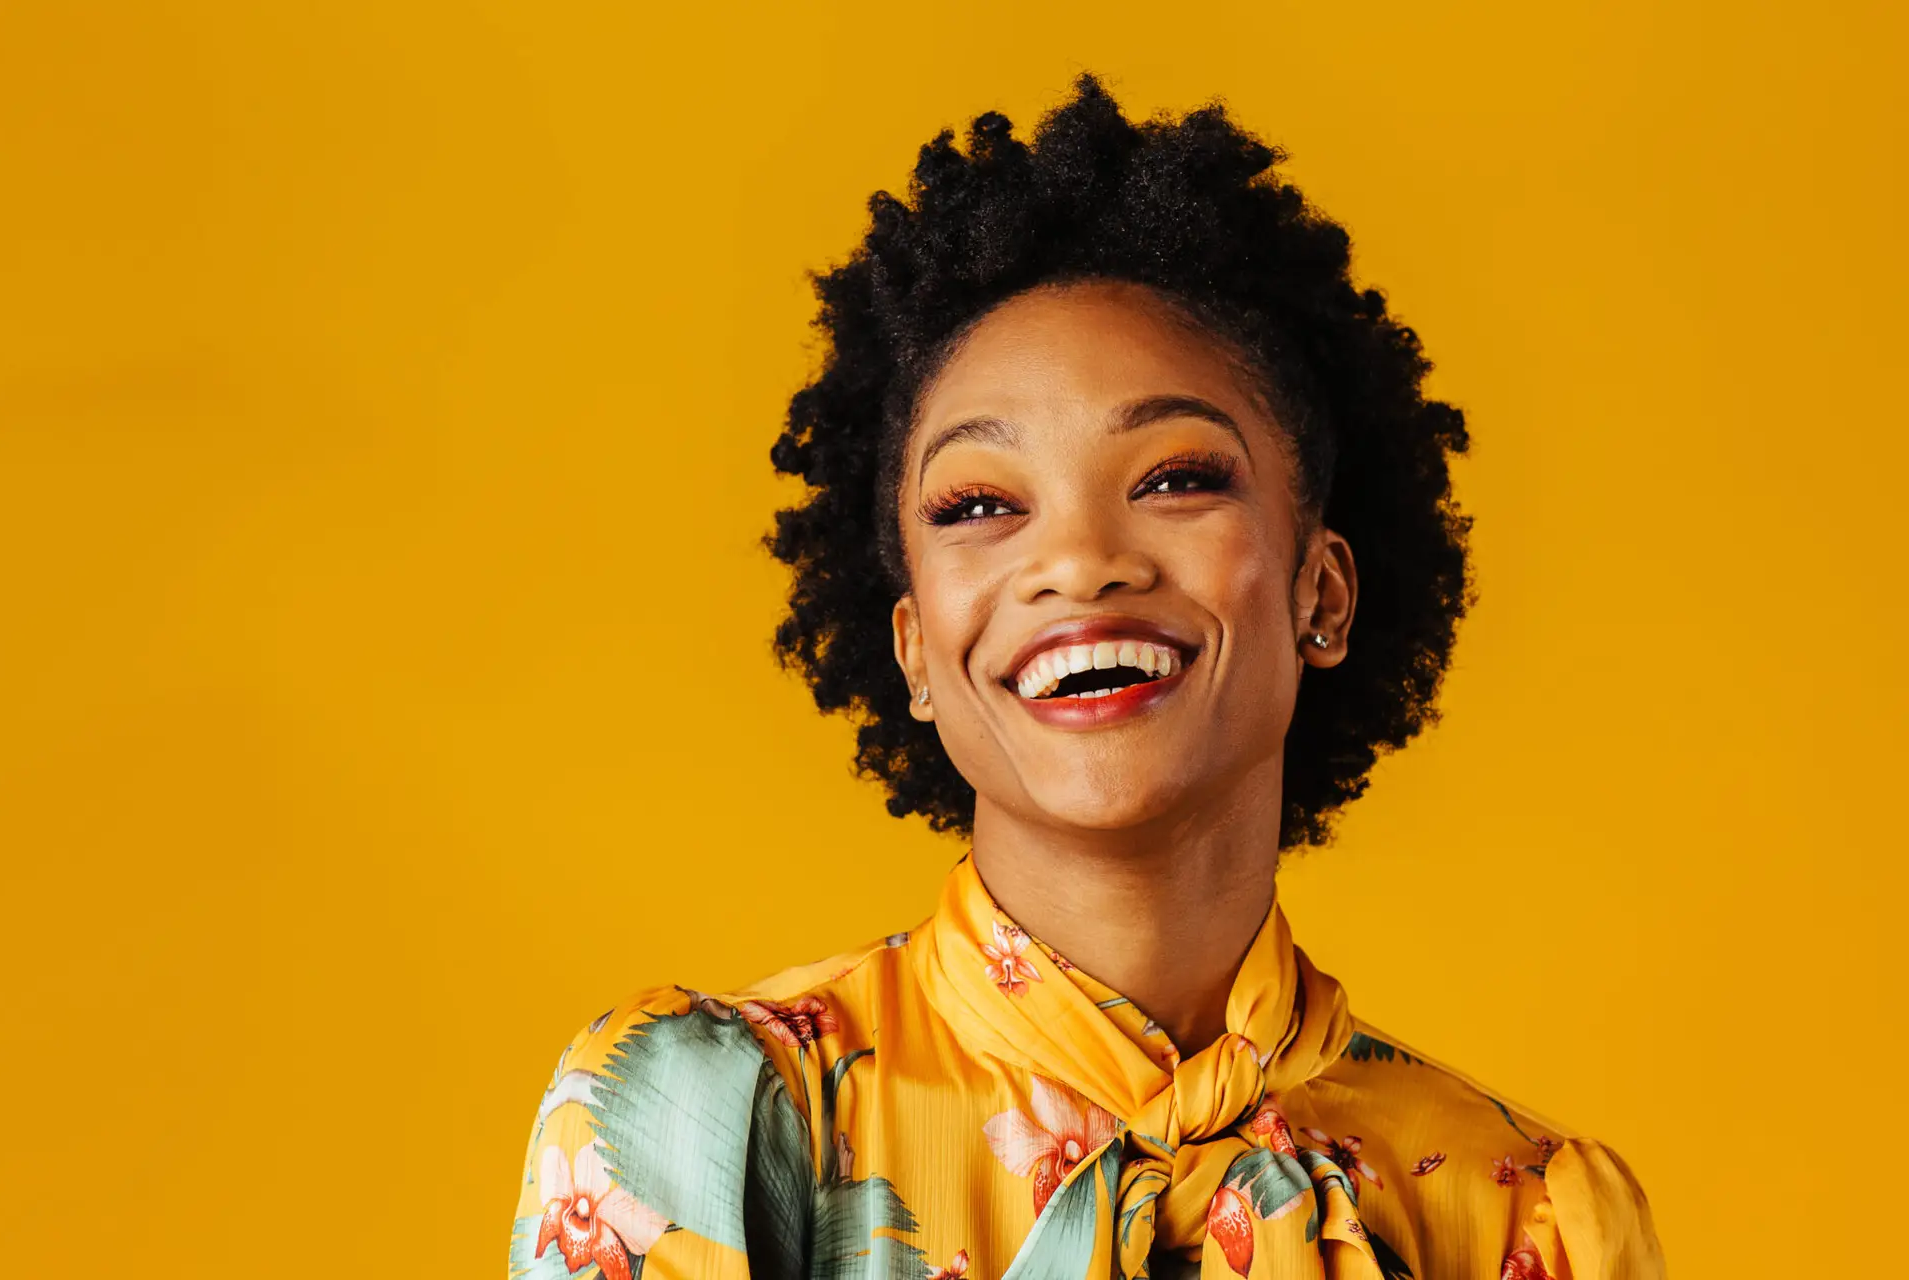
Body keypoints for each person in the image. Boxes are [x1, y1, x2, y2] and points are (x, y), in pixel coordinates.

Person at [507, 73, 1665, 1280]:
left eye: (1174, 478)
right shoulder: (714, 1114)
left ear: (1321, 590)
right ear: (913, 645)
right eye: (978, 504)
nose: (1076, 562)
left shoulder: (1523, 1211)